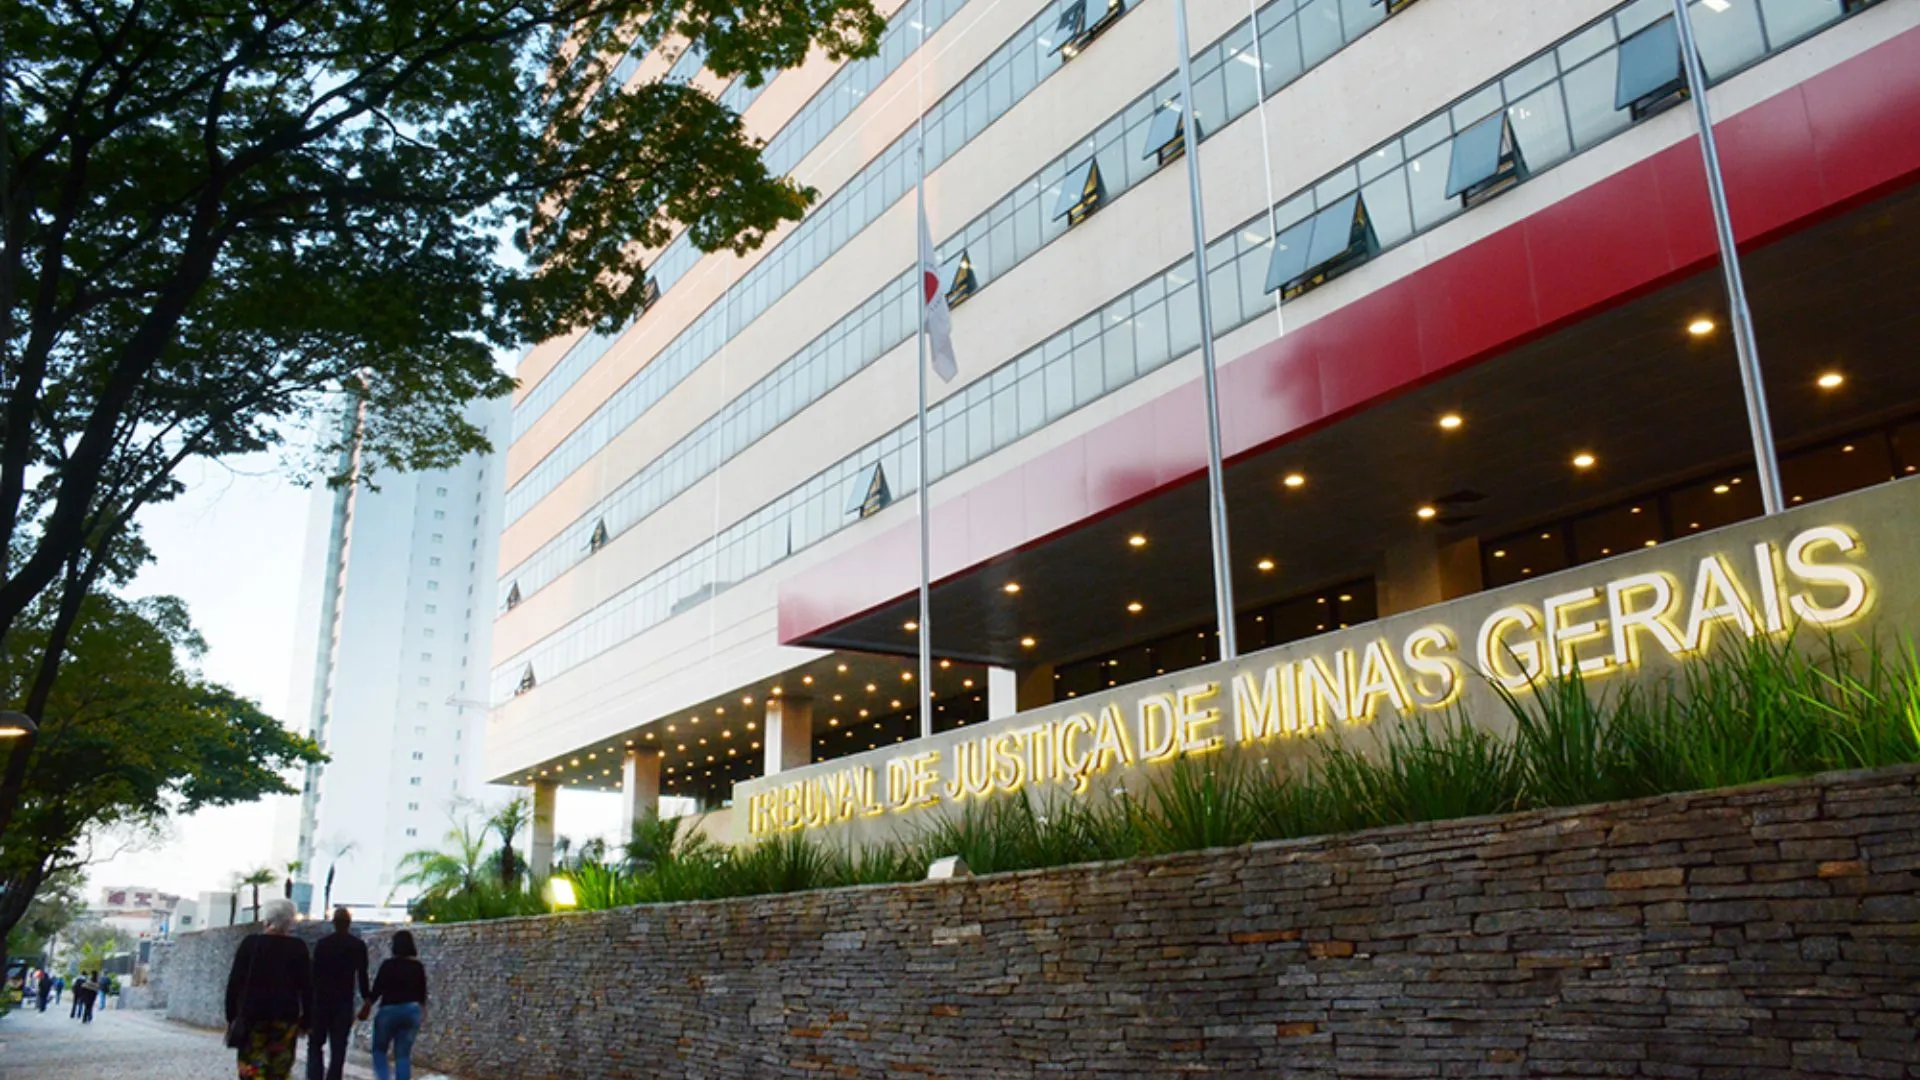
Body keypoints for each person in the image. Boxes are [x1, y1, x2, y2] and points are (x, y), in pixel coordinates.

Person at [225, 898, 311, 1080]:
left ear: (267, 919)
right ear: (290, 921)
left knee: (252, 1070)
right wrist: (307, 1020)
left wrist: (231, 1016)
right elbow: (307, 987)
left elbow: (235, 982)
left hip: (252, 1019)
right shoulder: (298, 948)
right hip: (285, 1020)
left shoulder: (250, 944)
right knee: (279, 1071)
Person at [307, 908, 370, 1080]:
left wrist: (307, 1002)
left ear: (333, 923)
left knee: (315, 1044)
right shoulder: (358, 946)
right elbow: (362, 975)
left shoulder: (322, 944)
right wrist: (367, 1000)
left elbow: (314, 975)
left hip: (321, 1001)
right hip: (343, 1002)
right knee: (339, 1047)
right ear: (349, 924)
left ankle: (314, 1076)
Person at [359, 931, 426, 1080]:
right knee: (403, 1054)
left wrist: (367, 1005)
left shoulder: (388, 965)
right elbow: (422, 994)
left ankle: (383, 1077)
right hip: (412, 1011)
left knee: (379, 1050)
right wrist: (422, 1013)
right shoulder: (417, 967)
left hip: (389, 1010)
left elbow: (377, 989)